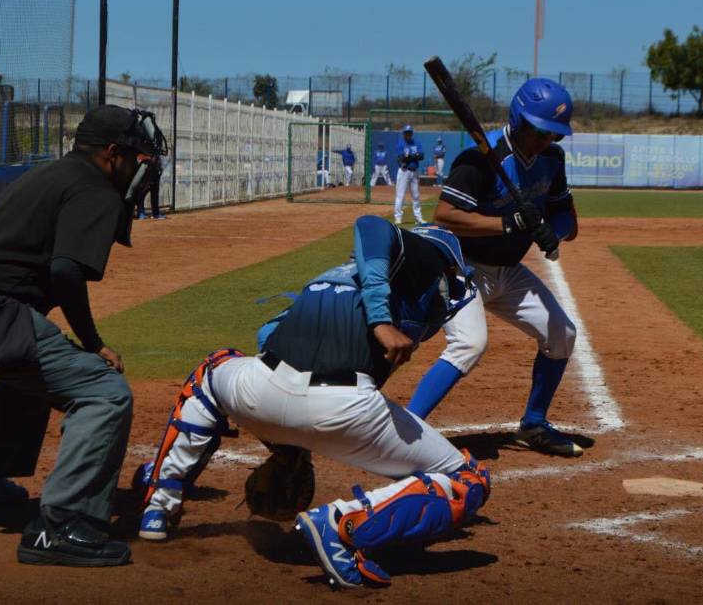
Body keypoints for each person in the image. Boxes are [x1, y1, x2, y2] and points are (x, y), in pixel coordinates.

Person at [134, 215, 490, 588]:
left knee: (213, 370)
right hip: (343, 411)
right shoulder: (422, 263)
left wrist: (285, 441)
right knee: (468, 479)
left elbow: (268, 335)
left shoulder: (330, 276)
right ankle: (342, 525)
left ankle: (160, 503)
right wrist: (380, 320)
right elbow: (372, 224)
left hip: (259, 390)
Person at [0, 104, 167, 567]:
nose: (142, 167)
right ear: (112, 154)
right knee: (104, 392)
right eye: (138, 156)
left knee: (33, 373)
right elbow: (65, 270)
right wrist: (93, 343)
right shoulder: (96, 189)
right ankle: (63, 523)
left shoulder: (54, 173)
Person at [405, 78, 588, 458]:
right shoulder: (480, 157)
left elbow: (566, 218)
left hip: (508, 270)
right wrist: (507, 224)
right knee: (469, 343)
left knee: (562, 334)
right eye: (541, 132)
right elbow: (445, 215)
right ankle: (403, 433)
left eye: (555, 134)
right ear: (519, 120)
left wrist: (551, 232)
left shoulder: (552, 159)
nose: (547, 140)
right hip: (462, 268)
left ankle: (534, 424)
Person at [394, 125, 424, 225]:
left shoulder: (416, 142)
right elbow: (402, 158)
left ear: (412, 133)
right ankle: (398, 218)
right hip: (404, 171)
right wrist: (414, 156)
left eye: (409, 133)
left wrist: (409, 156)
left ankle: (418, 218)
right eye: (406, 133)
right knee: (400, 195)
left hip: (414, 172)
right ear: (404, 134)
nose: (408, 134)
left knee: (416, 196)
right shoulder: (401, 143)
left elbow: (422, 156)